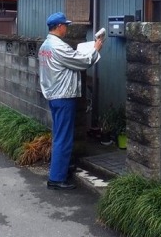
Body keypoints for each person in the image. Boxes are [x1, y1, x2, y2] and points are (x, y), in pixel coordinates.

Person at [38, 12, 103, 190]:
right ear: (59, 27)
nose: (67, 28)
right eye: (65, 25)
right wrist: (95, 49)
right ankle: (57, 178)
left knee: (60, 135)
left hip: (54, 94)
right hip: (63, 95)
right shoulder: (58, 47)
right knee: (63, 137)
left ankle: (61, 168)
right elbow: (81, 62)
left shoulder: (45, 45)